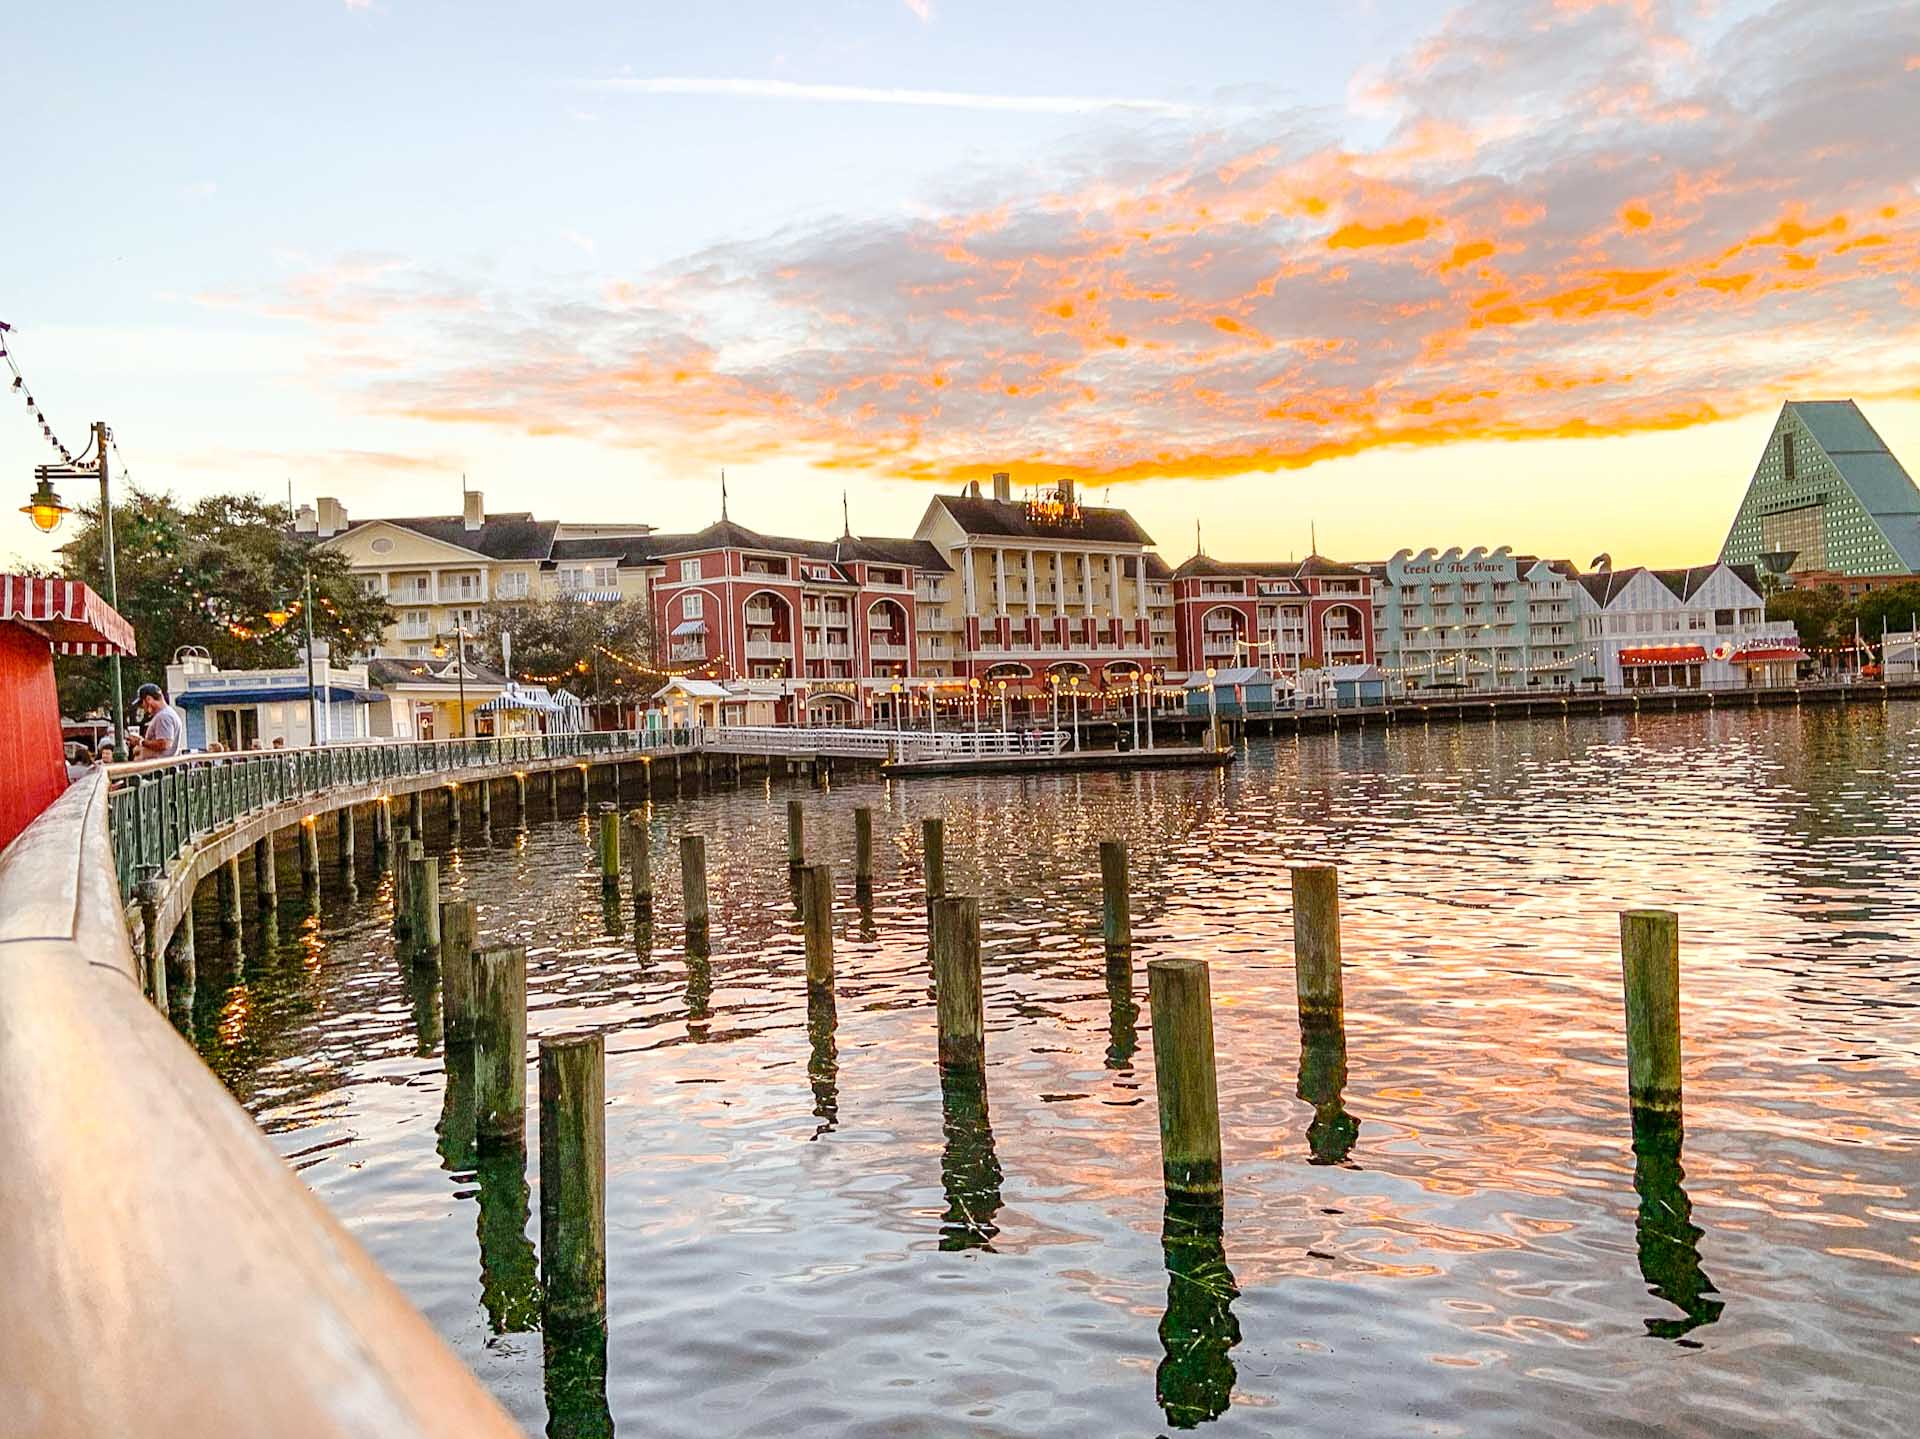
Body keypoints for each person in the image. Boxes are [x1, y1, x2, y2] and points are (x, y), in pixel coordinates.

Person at [133, 683, 185, 760]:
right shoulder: (166, 714)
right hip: (161, 766)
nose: (142, 707)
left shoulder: (163, 716)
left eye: (141, 703)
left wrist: (141, 742)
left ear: (148, 699)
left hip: (159, 768)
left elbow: (164, 744)